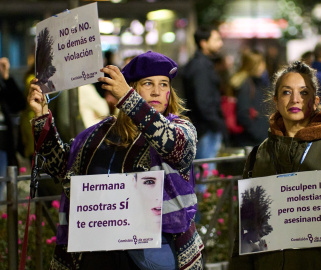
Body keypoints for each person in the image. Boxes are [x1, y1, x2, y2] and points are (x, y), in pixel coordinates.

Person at [28, 51, 203, 270]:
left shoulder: (180, 128)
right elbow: (62, 168)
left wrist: (130, 100)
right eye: (148, 83)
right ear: (131, 86)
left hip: (157, 252)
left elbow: (172, 144)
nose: (157, 91)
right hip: (100, 251)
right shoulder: (98, 133)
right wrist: (42, 116)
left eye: (164, 84)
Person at [229, 61, 321, 270]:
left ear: (315, 101)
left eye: (304, 93)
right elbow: (247, 232)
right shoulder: (259, 155)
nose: (295, 99)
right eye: (287, 92)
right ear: (276, 101)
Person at [182, 26, 225, 161]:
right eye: (216, 39)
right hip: (205, 130)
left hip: (204, 128)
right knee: (204, 174)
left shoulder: (202, 64)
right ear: (203, 43)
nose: (220, 43)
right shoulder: (201, 66)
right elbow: (203, 101)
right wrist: (217, 124)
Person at [229, 50, 269, 147]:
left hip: (252, 138)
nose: (263, 66)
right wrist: (257, 133)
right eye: (259, 63)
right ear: (252, 66)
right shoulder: (246, 85)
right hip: (250, 140)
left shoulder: (255, 82)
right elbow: (243, 114)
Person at [0, 57, 26, 200]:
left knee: (2, 188)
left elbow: (19, 104)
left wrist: (6, 77)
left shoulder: (3, 85)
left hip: (3, 145)